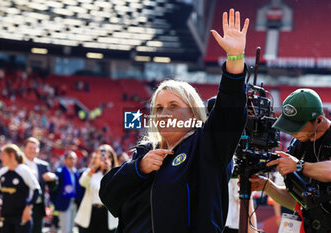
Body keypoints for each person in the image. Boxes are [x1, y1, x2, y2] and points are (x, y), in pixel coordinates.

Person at [99, 8, 249, 233]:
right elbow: (108, 195)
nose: (164, 113)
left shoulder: (206, 146)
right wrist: (139, 168)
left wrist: (235, 60)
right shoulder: (144, 153)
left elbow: (229, 113)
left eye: (173, 106)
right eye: (159, 108)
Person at [249, 88, 331, 233]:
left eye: (297, 127)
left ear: (318, 120)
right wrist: (268, 186)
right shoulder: (297, 146)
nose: (291, 132)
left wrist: (299, 166)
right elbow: (297, 202)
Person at [0, 144, 40, 233]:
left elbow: (36, 190)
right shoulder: (2, 172)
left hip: (20, 216)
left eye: (3, 155)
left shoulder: (24, 170)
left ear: (11, 155)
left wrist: (28, 208)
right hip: (5, 215)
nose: (1, 158)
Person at [75, 145, 118, 233]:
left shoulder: (116, 173)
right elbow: (82, 183)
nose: (104, 158)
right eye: (102, 155)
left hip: (107, 214)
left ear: (112, 158)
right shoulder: (90, 172)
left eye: (108, 156)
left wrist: (109, 169)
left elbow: (116, 189)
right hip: (90, 213)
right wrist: (94, 167)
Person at [23, 137, 57, 233]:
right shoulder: (19, 164)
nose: (33, 151)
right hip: (21, 206)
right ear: (24, 148)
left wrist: (53, 178)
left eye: (35, 148)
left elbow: (52, 187)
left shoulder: (43, 165)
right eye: (30, 148)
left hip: (38, 206)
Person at [51, 151, 81, 233]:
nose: (72, 160)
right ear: (65, 160)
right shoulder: (59, 172)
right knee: (65, 229)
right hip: (64, 203)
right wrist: (56, 202)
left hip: (74, 203)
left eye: (74, 158)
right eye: (70, 158)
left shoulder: (76, 173)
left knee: (72, 229)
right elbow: (53, 190)